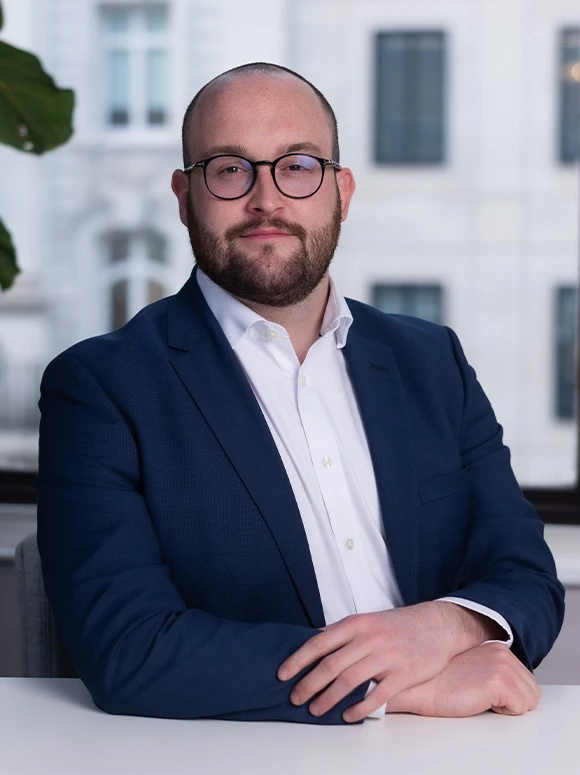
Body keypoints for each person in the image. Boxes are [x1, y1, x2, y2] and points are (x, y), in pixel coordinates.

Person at [36, 62, 564, 724]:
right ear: (183, 194)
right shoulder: (100, 388)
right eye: (230, 168)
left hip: (456, 752)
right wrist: (391, 688)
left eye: (298, 165)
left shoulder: (433, 361)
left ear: (341, 190)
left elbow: (526, 578)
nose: (266, 199)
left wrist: (447, 626)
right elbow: (129, 648)